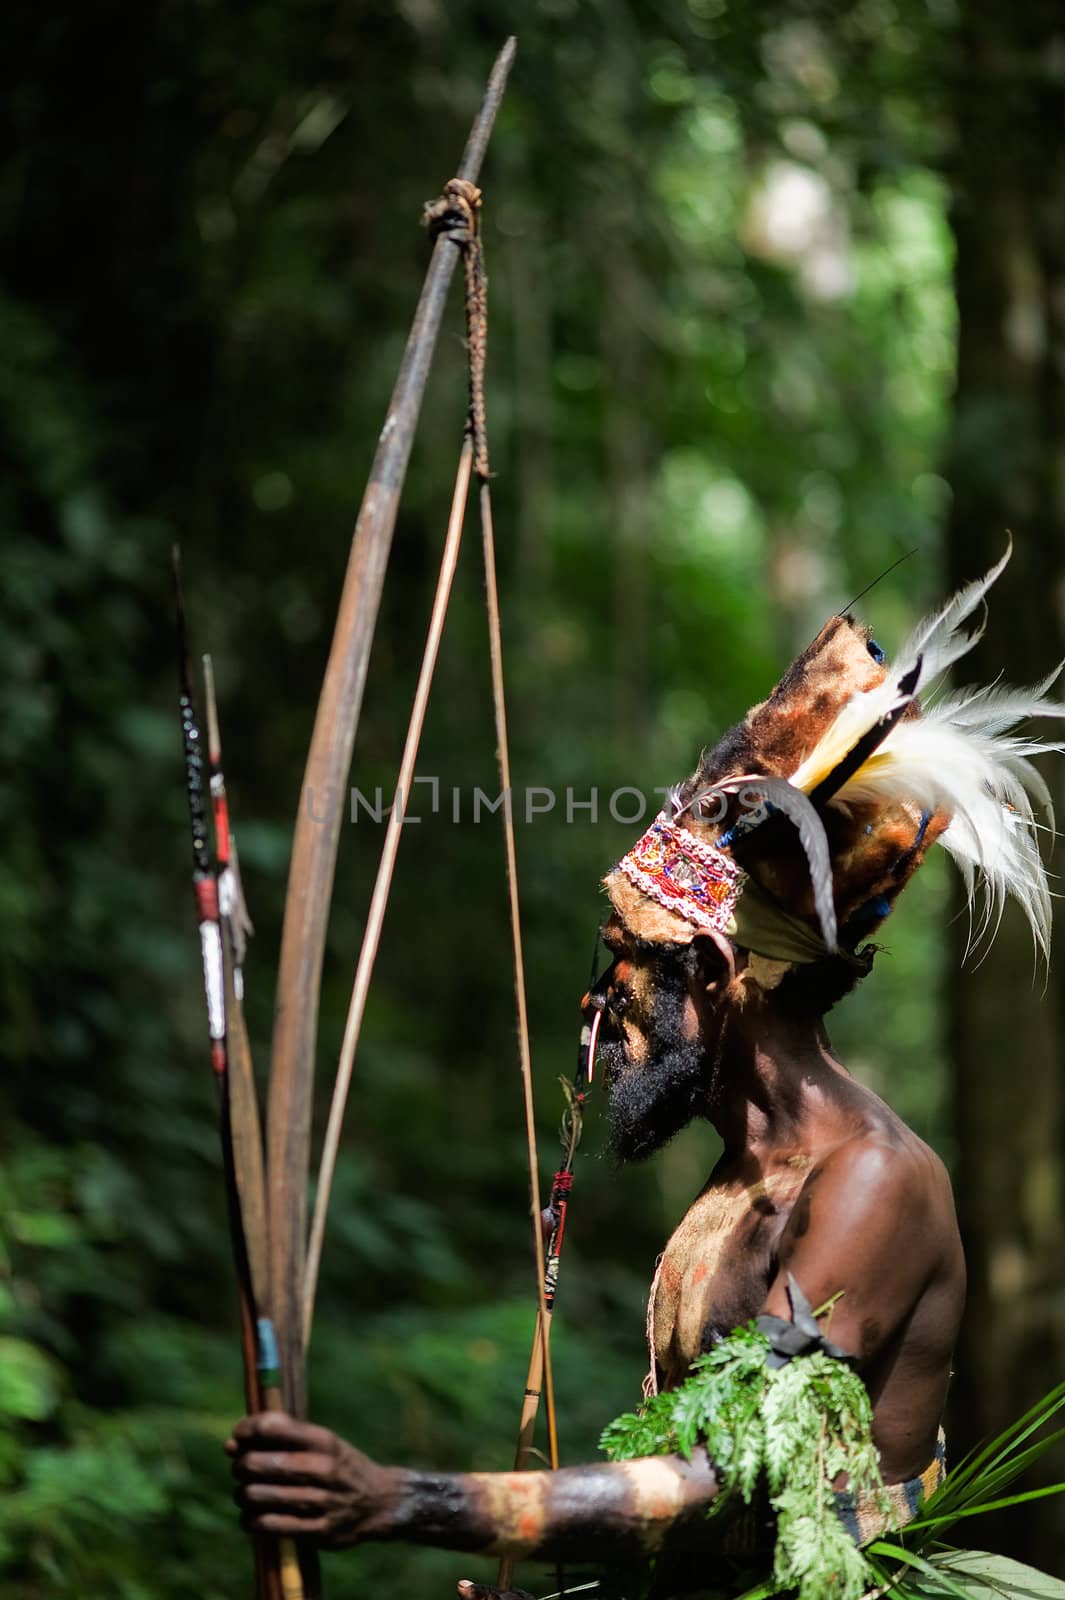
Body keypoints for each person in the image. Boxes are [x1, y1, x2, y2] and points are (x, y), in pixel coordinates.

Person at [228, 551, 1061, 1598]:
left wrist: (403, 1500)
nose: (597, 1004)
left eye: (624, 966)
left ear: (713, 973)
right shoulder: (736, 1181)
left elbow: (729, 1482)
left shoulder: (872, 1183)